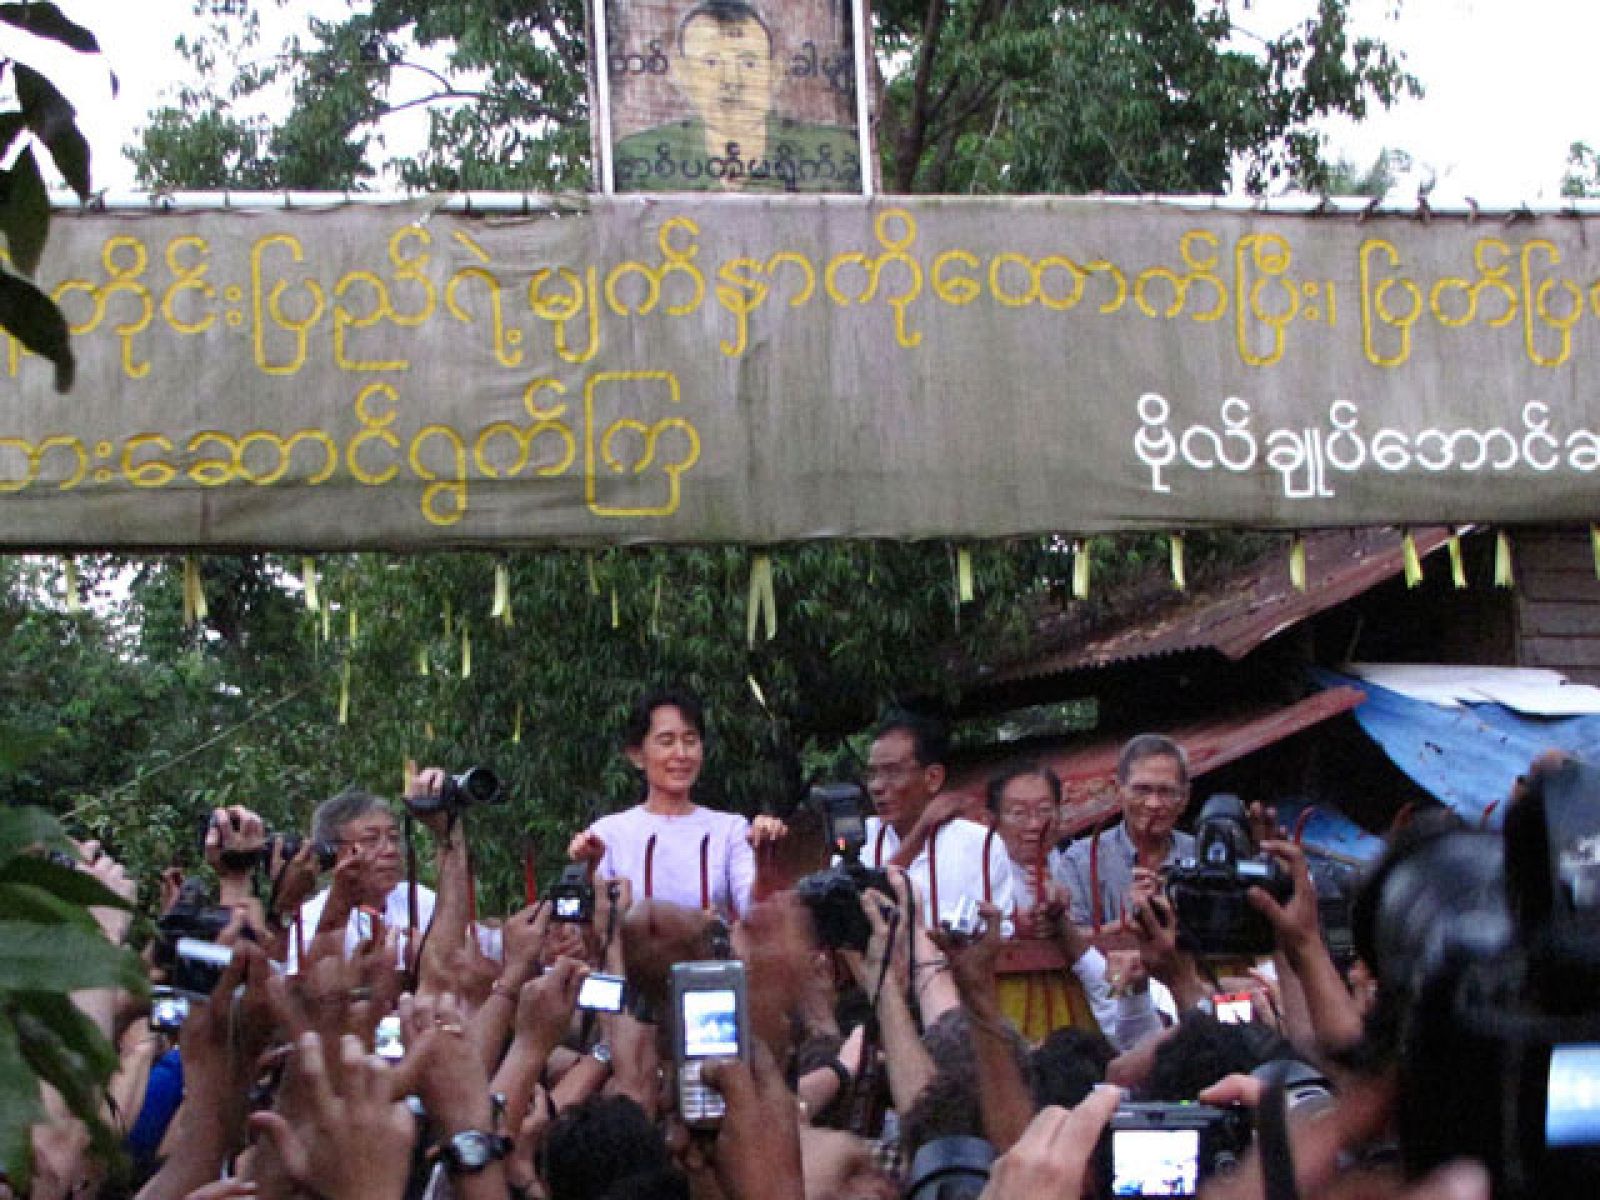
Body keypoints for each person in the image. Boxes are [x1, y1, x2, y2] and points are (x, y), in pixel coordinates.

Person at [568, 686, 782, 919]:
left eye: (690, 741)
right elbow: (589, 923)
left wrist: (764, 859)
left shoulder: (730, 830)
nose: (681, 754)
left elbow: (757, 914)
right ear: (637, 755)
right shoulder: (608, 834)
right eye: (666, 741)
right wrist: (588, 869)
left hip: (710, 956)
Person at [612, 0, 860, 193]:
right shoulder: (639, 157)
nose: (731, 81)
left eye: (749, 63)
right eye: (710, 62)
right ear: (681, 72)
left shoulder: (834, 152)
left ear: (775, 72)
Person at [861, 709, 1016, 929]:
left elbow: (1000, 931)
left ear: (933, 778)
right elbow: (854, 913)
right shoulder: (860, 839)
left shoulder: (981, 844)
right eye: (872, 774)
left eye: (893, 772)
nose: (876, 786)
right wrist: (921, 832)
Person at [1060, 733, 1196, 931]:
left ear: (1184, 798)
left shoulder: (1201, 855)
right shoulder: (1081, 860)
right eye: (1142, 790)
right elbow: (1072, 942)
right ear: (1118, 791)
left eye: (1166, 792)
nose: (1154, 804)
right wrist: (1129, 924)